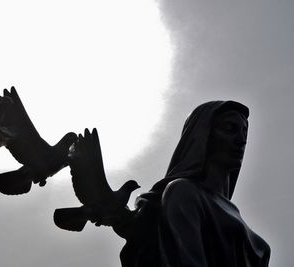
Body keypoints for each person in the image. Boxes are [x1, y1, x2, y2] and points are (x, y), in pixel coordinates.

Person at [112, 101, 271, 267]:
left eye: (244, 132)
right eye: (229, 128)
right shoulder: (184, 192)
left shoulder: (232, 212)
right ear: (203, 134)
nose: (241, 140)